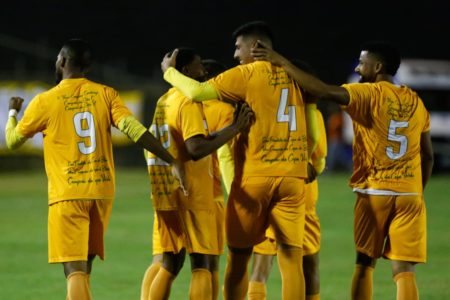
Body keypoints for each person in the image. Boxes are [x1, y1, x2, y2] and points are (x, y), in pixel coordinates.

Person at [4, 38, 186, 300]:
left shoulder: (45, 101)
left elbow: (12, 141)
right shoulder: (106, 94)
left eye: (58, 58)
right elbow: (135, 131)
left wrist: (12, 114)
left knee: (74, 271)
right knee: (84, 270)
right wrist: (171, 159)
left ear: (63, 61)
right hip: (101, 192)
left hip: (67, 194)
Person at [252, 41, 434, 300]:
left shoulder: (367, 93)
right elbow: (427, 155)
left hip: (375, 192)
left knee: (364, 264)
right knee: (404, 270)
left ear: (378, 67)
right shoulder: (416, 101)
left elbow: (322, 90)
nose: (359, 69)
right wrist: (418, 190)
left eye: (362, 63)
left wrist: (281, 61)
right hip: (410, 195)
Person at [161, 21, 315, 300]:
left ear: (255, 47)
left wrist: (169, 72)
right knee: (292, 259)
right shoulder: (297, 75)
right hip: (293, 177)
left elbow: (196, 92)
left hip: (255, 178)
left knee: (239, 257)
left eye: (238, 47)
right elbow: (314, 118)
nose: (234, 55)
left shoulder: (245, 74)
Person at [142, 47, 253, 300]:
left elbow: (156, 145)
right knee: (203, 264)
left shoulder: (164, 100)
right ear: (186, 71)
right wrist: (236, 127)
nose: (203, 71)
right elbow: (196, 148)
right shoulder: (189, 101)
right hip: (195, 192)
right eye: (199, 65)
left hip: (165, 192)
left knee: (168, 262)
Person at [247, 60, 328, 300]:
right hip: (302, 195)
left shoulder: (267, 110)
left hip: (267, 189)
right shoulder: (313, 114)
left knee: (261, 265)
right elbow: (319, 159)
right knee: (307, 263)